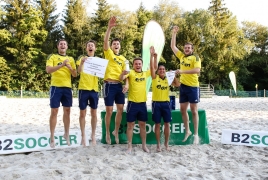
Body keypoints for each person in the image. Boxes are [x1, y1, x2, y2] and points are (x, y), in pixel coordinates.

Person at [170, 26, 201, 144]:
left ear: (192, 49)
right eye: (185, 48)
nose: (187, 49)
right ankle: (187, 131)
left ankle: (196, 134)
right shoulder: (182, 56)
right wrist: (174, 33)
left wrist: (182, 71)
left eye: (189, 48)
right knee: (183, 110)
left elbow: (197, 70)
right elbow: (173, 46)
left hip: (193, 86)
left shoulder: (195, 57)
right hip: (183, 87)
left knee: (194, 110)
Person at [46, 39, 77, 148]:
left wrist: (70, 68)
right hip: (56, 87)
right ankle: (52, 136)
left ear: (67, 47)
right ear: (58, 46)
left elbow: (75, 74)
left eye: (64, 44)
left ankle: (66, 134)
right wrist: (62, 65)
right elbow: (48, 70)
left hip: (67, 88)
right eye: (61, 44)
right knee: (54, 111)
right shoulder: (53, 57)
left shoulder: (71, 59)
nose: (63, 45)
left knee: (67, 111)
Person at [103, 16, 128, 144]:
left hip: (119, 85)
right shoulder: (109, 54)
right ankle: (107, 132)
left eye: (118, 44)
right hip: (108, 85)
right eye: (114, 44)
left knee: (120, 109)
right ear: (112, 46)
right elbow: (105, 42)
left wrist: (126, 83)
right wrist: (109, 28)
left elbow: (126, 76)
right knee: (109, 110)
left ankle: (115, 131)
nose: (116, 45)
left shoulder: (124, 59)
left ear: (120, 46)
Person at [150, 46, 180, 152]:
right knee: (157, 124)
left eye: (163, 69)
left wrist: (174, 75)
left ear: (165, 71)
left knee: (167, 124)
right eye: (160, 69)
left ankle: (166, 144)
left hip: (166, 103)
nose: (162, 70)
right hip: (156, 104)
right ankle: (158, 144)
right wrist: (152, 56)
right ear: (158, 71)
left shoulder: (168, 78)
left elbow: (177, 85)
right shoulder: (155, 78)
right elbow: (152, 67)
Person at [120, 57, 150, 154]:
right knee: (130, 125)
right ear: (133, 65)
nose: (138, 65)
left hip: (142, 103)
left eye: (139, 63)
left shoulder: (145, 73)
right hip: (132, 103)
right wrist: (122, 74)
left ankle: (144, 145)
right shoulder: (131, 73)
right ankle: (129, 146)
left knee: (142, 125)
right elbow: (121, 78)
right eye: (136, 64)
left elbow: (155, 68)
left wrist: (153, 55)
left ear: (142, 65)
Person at [76, 40, 99, 146]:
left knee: (94, 113)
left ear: (95, 48)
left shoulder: (99, 60)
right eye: (88, 46)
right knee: (82, 113)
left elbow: (102, 73)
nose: (90, 47)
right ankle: (83, 135)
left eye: (92, 45)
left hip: (94, 89)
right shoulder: (81, 59)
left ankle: (93, 135)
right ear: (86, 49)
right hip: (83, 89)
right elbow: (78, 72)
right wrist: (82, 63)